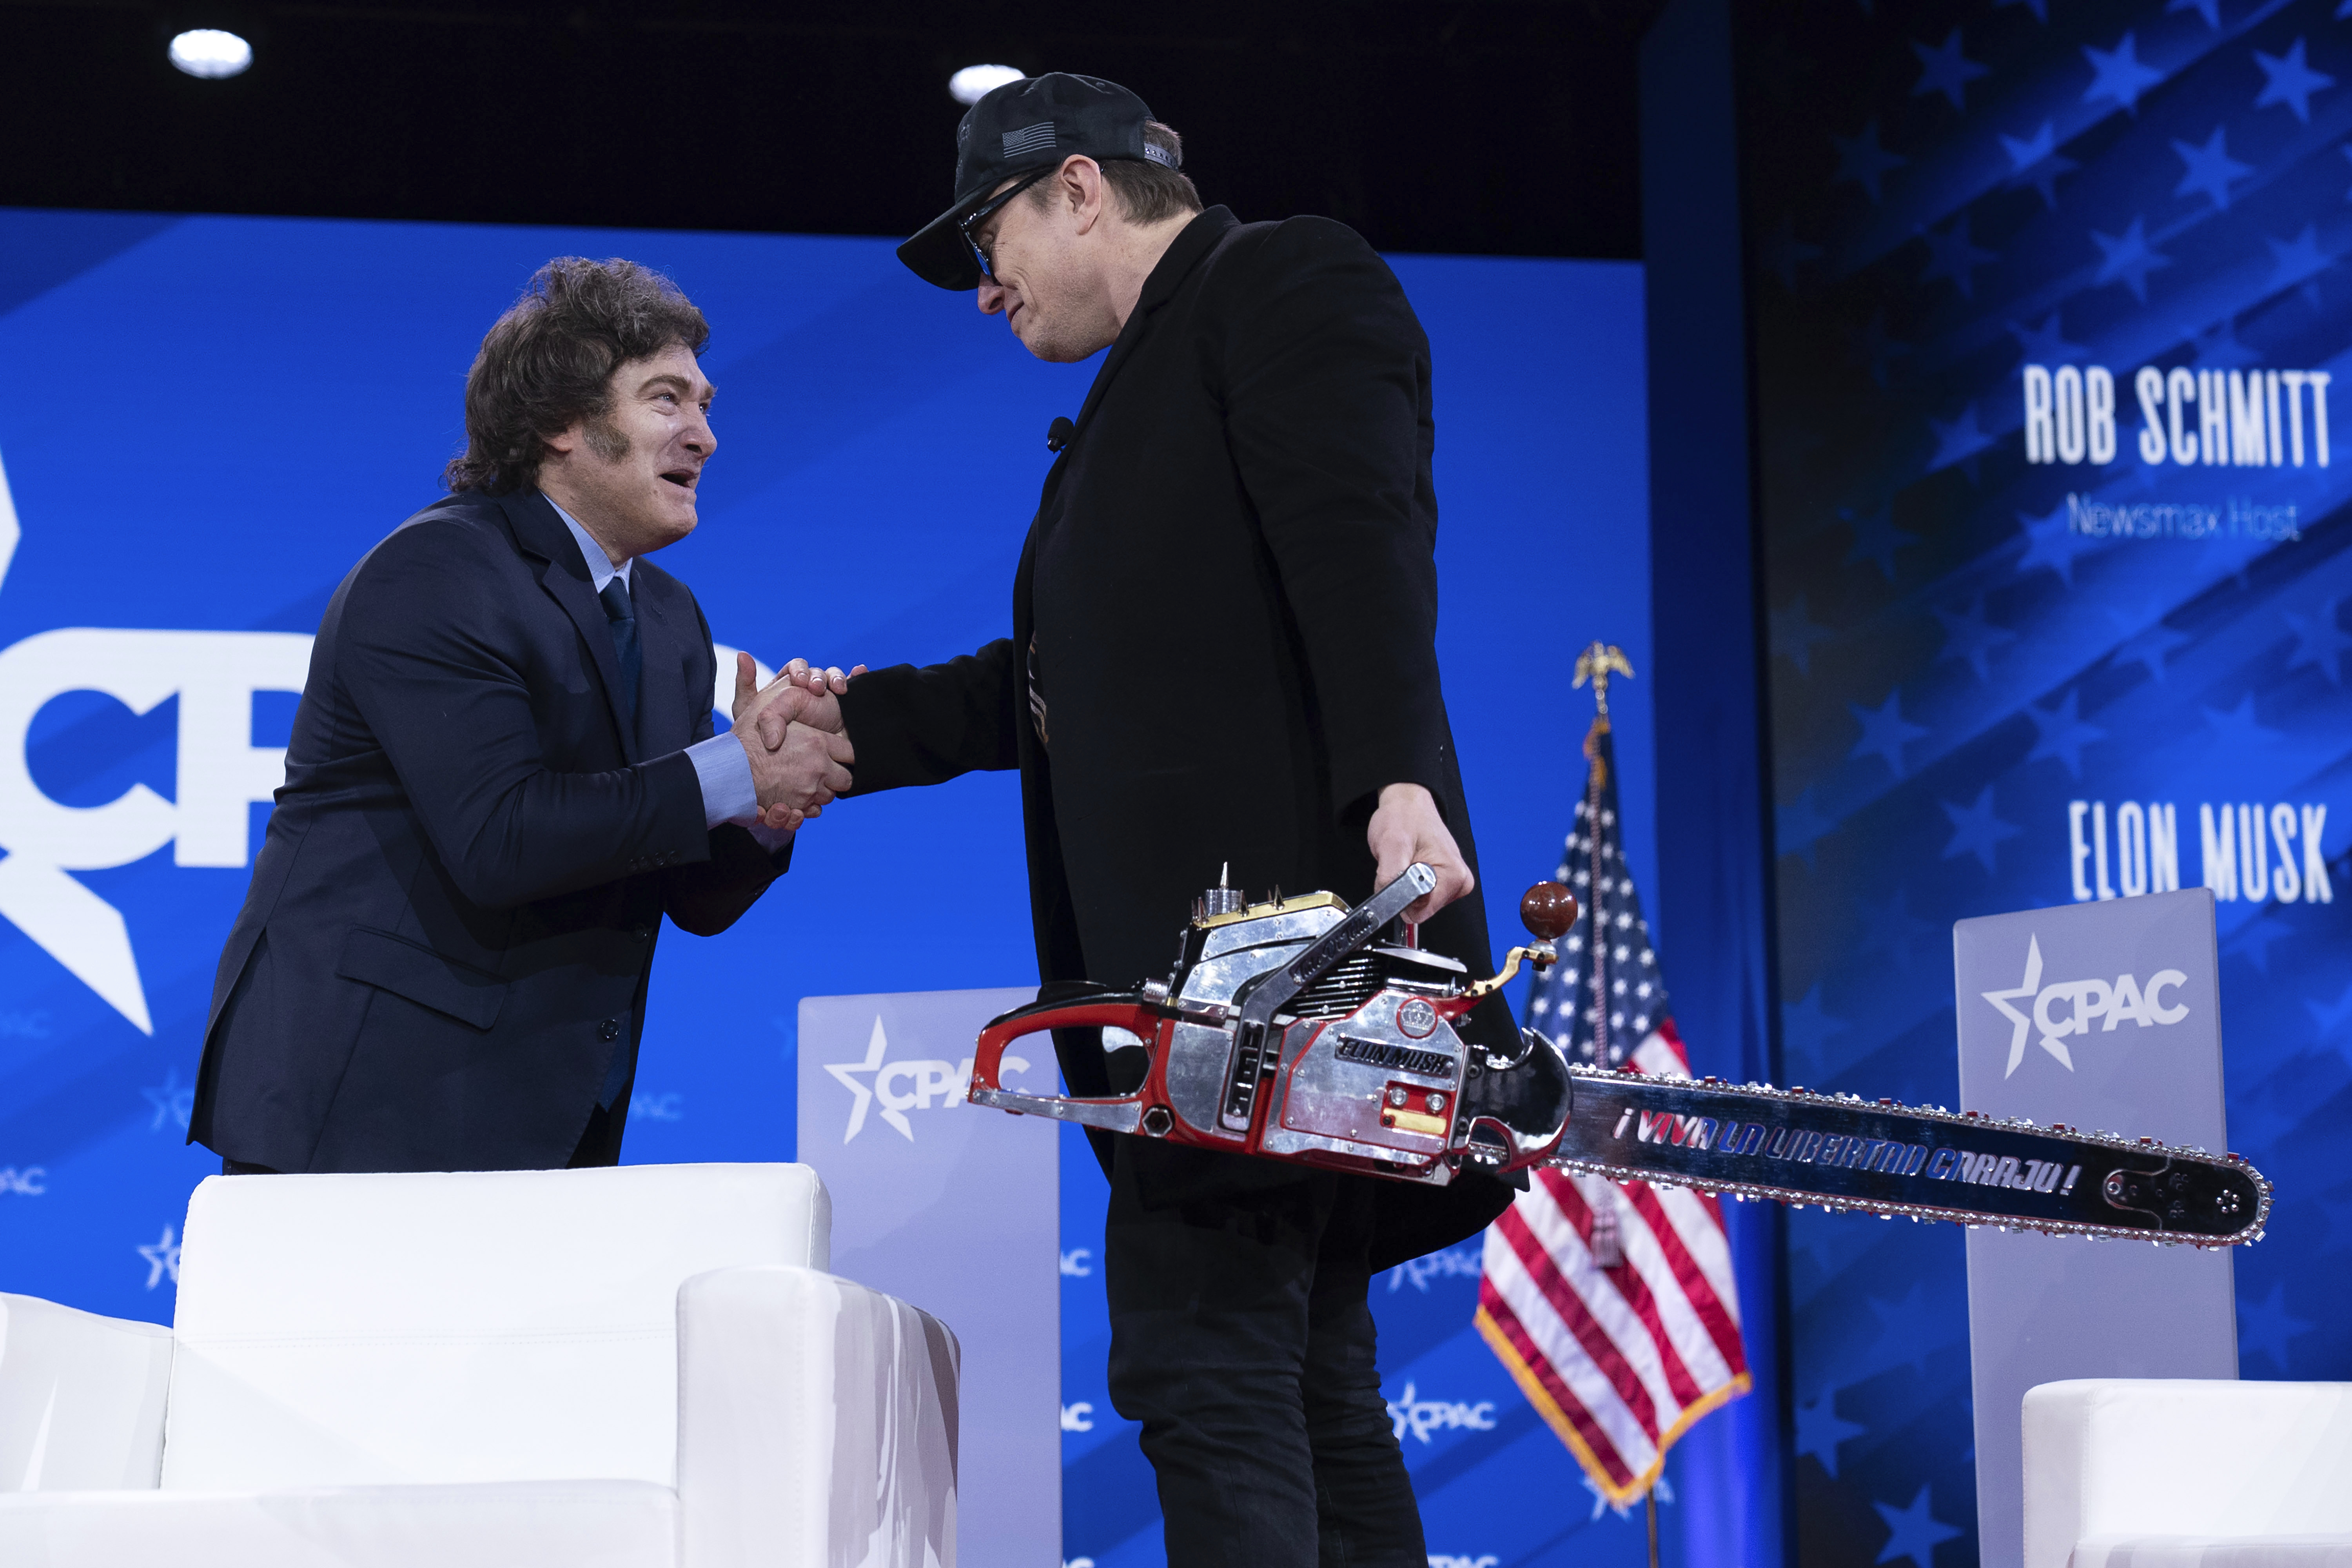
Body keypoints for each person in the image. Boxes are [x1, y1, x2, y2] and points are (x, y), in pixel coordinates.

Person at [780, 72, 1518, 1568]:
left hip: (1272, 973)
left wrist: (1398, 786)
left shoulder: (1282, 279)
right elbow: (1071, 682)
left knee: (1207, 1362)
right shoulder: (1145, 390)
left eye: (987, 240)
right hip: (1232, 993)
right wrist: (842, 731)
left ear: (1077, 188)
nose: (984, 293)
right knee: (1301, 1372)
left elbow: (1361, 541)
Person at [189, 257, 848, 1176]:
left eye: (705, 402)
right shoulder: (435, 574)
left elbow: (677, 891)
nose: (703, 434)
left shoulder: (670, 616)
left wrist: (764, 805)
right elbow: (502, 837)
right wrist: (733, 767)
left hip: (553, 1117)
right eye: (666, 399)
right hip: (367, 1108)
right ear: (559, 423)